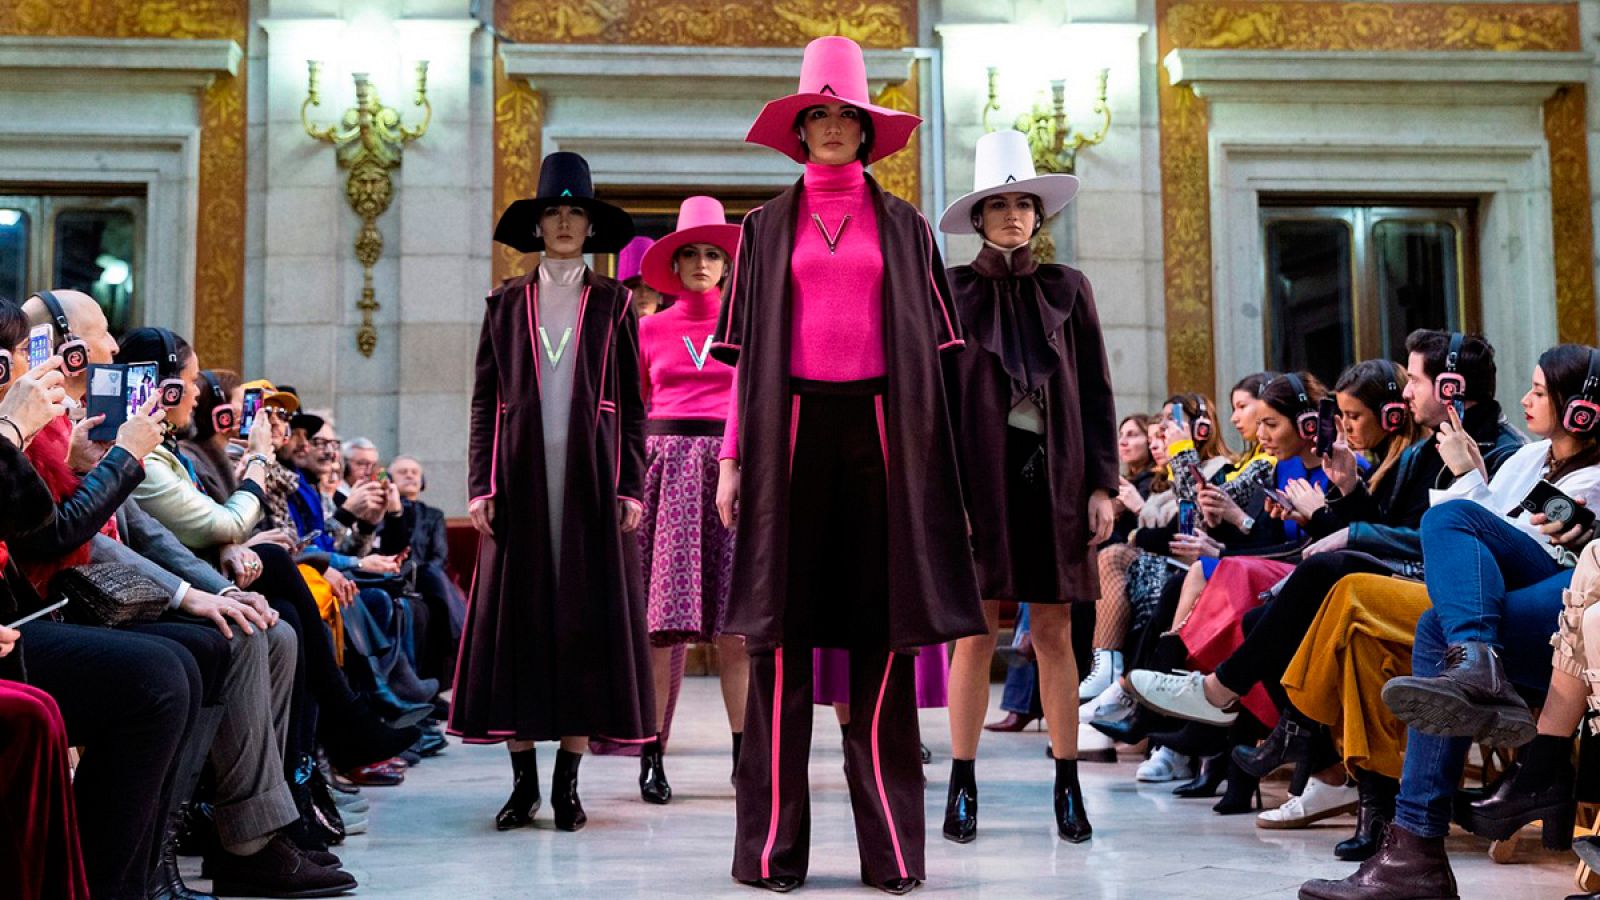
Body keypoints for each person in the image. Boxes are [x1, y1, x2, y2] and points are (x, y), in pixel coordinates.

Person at [714, 36, 986, 893]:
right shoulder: (761, 229)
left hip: (881, 438)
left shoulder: (905, 227)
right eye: (817, 116)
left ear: (868, 130)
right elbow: (742, 361)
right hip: (786, 436)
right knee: (781, 654)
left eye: (846, 116)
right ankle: (771, 855)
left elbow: (940, 366)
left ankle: (894, 856)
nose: (832, 128)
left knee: (878, 650)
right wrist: (728, 461)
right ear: (801, 130)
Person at [1302, 344, 1600, 900]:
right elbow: (1480, 541)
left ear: (1583, 408)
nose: (1525, 398)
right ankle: (1415, 853)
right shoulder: (1527, 460)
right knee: (1439, 628)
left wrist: (1471, 479)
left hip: (1569, 604)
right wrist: (1473, 477)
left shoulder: (1593, 475)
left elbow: (1503, 531)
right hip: (1513, 593)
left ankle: (1415, 851)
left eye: (1539, 391)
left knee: (1448, 530)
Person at [454, 149, 653, 834]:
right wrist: (480, 482)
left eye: (576, 212)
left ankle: (568, 787)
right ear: (537, 225)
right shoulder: (504, 302)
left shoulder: (616, 303)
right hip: (518, 484)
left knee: (582, 628)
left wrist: (632, 485)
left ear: (589, 224)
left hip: (593, 487)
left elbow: (634, 401)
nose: (565, 222)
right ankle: (521, 788)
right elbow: (485, 401)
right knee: (520, 626)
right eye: (554, 212)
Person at [937, 128, 1117, 846]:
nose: (1012, 215)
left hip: (1058, 478)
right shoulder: (949, 293)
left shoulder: (1068, 290)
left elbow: (1100, 391)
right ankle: (961, 784)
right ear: (977, 218)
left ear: (1039, 217)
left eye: (1024, 204)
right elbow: (934, 405)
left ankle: (1068, 786)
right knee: (974, 632)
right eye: (998, 204)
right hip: (977, 480)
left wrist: (1104, 483)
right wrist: (942, 494)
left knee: (1052, 630)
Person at [632, 195, 747, 799]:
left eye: (712, 254)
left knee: (737, 630)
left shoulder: (748, 324)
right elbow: (632, 412)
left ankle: (743, 755)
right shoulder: (647, 329)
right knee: (661, 630)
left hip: (733, 471)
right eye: (690, 254)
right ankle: (652, 754)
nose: (702, 263)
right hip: (665, 471)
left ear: (727, 265)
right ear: (673, 266)